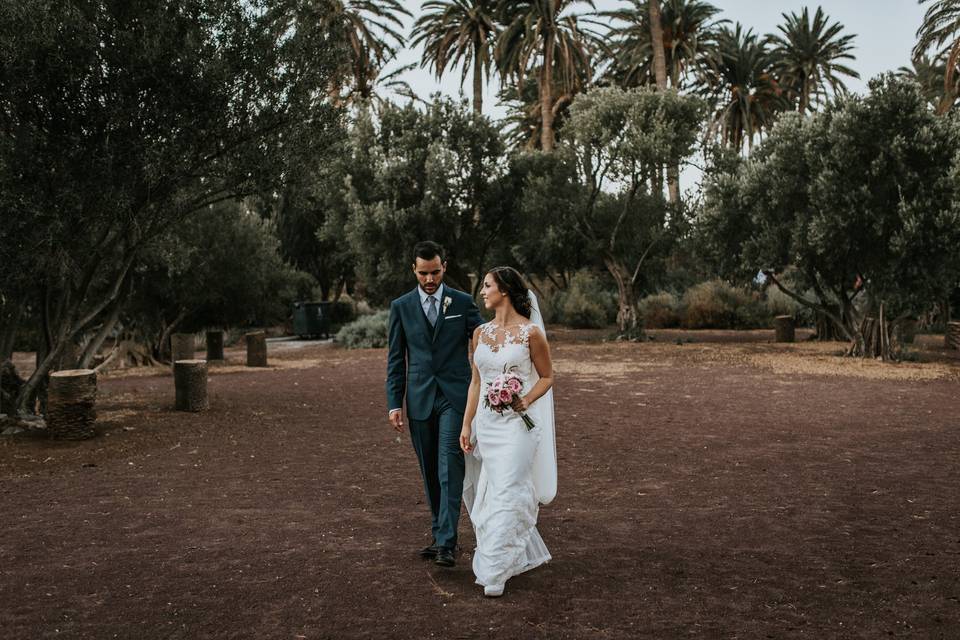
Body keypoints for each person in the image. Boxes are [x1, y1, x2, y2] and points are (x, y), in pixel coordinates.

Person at [460, 266, 557, 597]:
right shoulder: (479, 334)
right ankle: (507, 556)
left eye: (487, 286)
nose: (483, 292)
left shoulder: (531, 334)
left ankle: (495, 571)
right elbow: (476, 382)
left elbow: (546, 376)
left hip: (518, 427)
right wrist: (466, 423)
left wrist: (524, 400)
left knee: (508, 489)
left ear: (504, 290)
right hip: (487, 425)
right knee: (492, 490)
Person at [385, 241, 484, 568]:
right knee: (429, 470)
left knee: (448, 464)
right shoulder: (401, 306)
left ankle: (446, 542)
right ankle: (440, 531)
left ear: (444, 267)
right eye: (424, 273)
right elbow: (396, 359)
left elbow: (483, 340)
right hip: (418, 397)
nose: (430, 279)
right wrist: (393, 403)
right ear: (414, 270)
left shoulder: (463, 302)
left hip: (455, 397)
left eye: (436, 272)